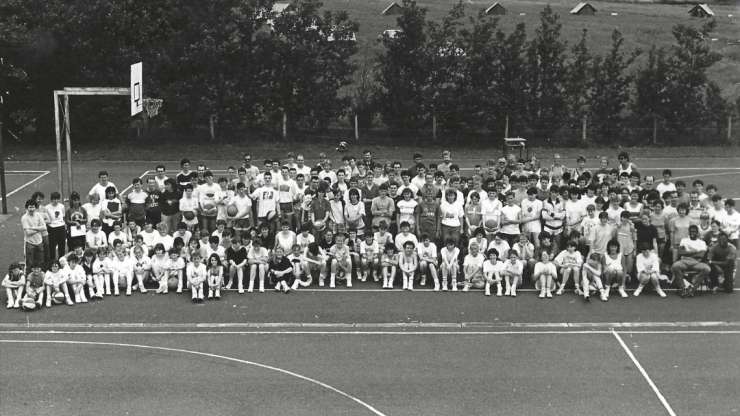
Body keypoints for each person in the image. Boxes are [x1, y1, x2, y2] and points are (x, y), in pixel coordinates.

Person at [671, 225, 712, 297]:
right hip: (684, 261)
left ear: (697, 233)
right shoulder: (684, 240)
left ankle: (693, 289)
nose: (692, 233)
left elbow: (701, 255)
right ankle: (683, 288)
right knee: (675, 266)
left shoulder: (702, 242)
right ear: (688, 232)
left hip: (696, 262)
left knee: (707, 269)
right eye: (691, 231)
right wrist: (694, 252)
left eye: (694, 232)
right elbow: (680, 252)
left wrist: (687, 253)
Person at [21, 199, 47, 273]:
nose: (31, 209)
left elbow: (44, 228)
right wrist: (39, 228)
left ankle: (40, 278)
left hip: (39, 242)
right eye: (30, 207)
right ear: (26, 208)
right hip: (30, 243)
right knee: (30, 263)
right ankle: (29, 278)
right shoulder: (24, 218)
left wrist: (33, 228)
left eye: (33, 207)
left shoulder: (38, 215)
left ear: (35, 208)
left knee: (41, 262)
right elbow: (28, 233)